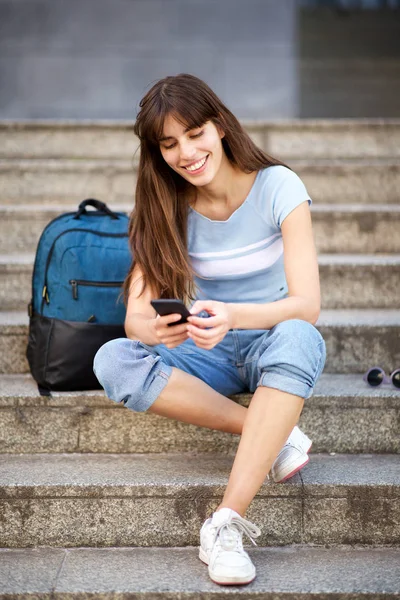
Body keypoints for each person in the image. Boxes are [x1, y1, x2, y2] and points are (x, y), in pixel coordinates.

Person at [93, 73, 326, 586]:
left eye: (195, 133)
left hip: (268, 338)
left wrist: (233, 316)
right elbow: (135, 318)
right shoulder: (163, 205)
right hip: (205, 352)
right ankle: (272, 431)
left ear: (219, 125)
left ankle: (225, 524)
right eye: (169, 144)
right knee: (113, 359)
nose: (186, 152)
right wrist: (164, 332)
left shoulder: (278, 187)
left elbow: (306, 304)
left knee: (302, 338)